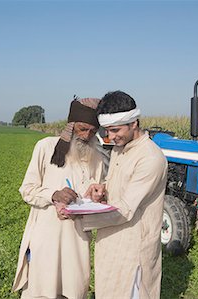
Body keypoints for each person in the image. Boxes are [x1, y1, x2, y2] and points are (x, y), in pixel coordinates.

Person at [12, 97, 104, 299]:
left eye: (92, 131)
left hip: (78, 240)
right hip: (46, 237)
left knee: (73, 290)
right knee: (42, 290)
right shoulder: (46, 147)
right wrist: (53, 195)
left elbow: (99, 196)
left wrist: (97, 196)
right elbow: (27, 189)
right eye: (82, 129)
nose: (86, 135)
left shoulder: (98, 158)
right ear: (71, 126)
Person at [81, 91, 168, 299]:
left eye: (116, 130)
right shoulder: (120, 149)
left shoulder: (150, 158)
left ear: (134, 123)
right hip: (110, 240)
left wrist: (80, 218)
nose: (111, 137)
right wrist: (102, 189)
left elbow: (126, 209)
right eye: (108, 131)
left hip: (132, 246)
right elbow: (118, 188)